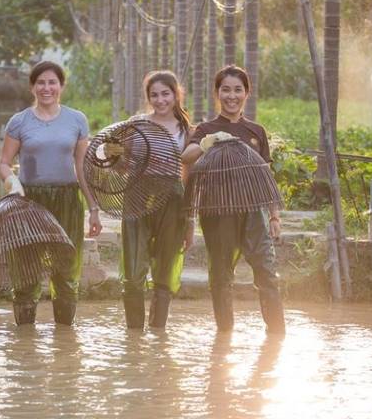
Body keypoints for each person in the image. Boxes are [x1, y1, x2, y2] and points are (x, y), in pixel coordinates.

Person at [181, 64, 285, 334]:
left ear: (246, 93)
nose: (231, 95)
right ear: (217, 93)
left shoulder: (256, 131)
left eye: (238, 89)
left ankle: (276, 334)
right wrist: (207, 142)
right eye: (225, 89)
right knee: (220, 276)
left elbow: (266, 176)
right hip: (217, 212)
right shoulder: (206, 128)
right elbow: (187, 157)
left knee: (267, 272)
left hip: (253, 211)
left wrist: (274, 215)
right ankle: (224, 336)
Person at [0, 60, 103, 326]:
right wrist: (13, 182)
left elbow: (82, 166)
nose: (47, 88)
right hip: (28, 202)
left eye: (52, 82)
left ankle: (65, 340)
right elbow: (3, 163)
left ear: (61, 86)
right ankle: (25, 343)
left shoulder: (76, 119)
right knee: (26, 274)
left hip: (67, 200)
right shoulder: (19, 121)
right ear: (32, 87)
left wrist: (93, 208)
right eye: (41, 82)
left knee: (66, 275)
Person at [117, 71, 191, 329]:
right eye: (154, 95)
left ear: (175, 94)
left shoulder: (185, 130)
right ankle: (134, 336)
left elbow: (187, 177)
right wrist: (114, 155)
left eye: (165, 94)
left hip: (172, 200)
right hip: (137, 196)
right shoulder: (135, 125)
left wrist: (190, 221)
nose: (160, 100)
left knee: (165, 267)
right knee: (134, 268)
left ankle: (158, 331)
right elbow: (120, 166)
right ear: (148, 97)